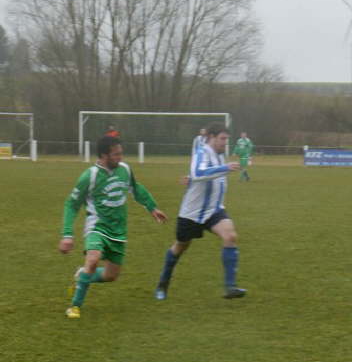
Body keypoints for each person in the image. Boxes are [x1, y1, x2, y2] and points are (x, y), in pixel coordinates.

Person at [59, 136, 167, 319]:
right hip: (97, 226)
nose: (120, 158)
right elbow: (72, 204)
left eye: (121, 153)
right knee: (93, 259)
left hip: (118, 231)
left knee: (111, 276)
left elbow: (135, 188)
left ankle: (83, 274)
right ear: (103, 155)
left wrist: (152, 207)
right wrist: (67, 234)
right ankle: (74, 306)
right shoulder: (90, 176)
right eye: (116, 154)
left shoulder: (125, 169)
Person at [154, 123, 245, 300]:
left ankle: (230, 287)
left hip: (214, 210)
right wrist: (224, 168)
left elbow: (199, 177)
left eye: (227, 139)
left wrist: (194, 179)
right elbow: (198, 172)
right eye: (222, 139)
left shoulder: (219, 156)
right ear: (211, 137)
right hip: (192, 214)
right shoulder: (202, 152)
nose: (225, 143)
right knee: (180, 247)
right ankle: (162, 284)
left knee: (230, 236)